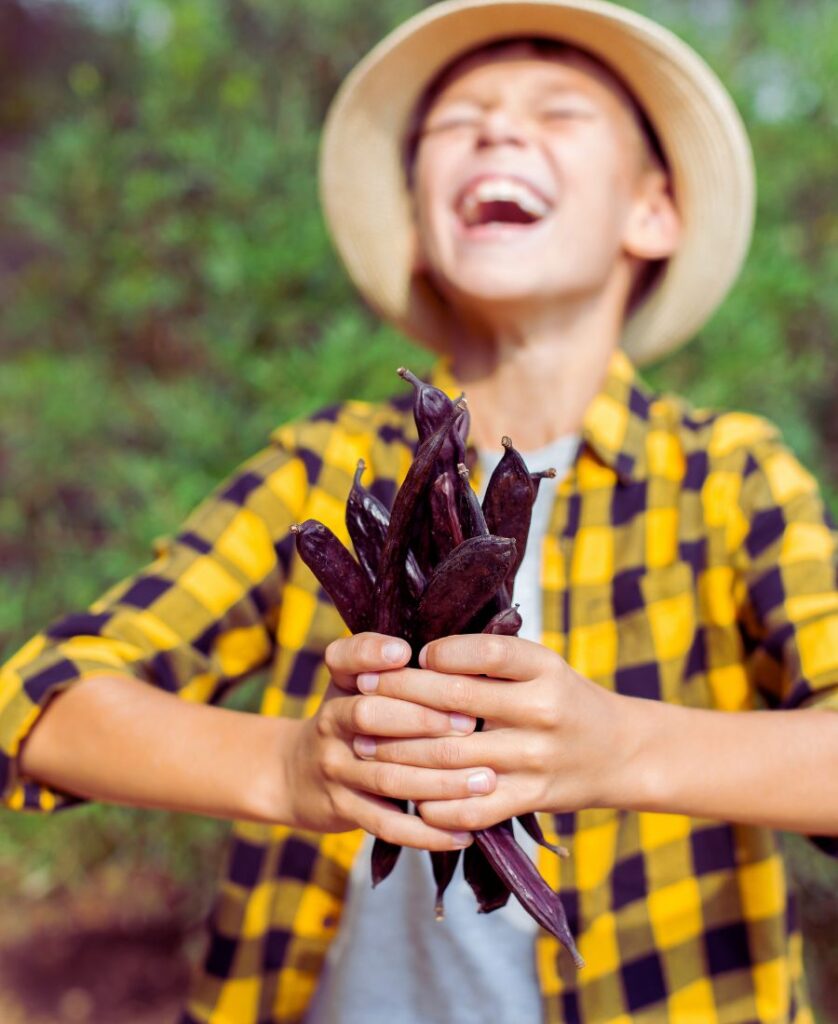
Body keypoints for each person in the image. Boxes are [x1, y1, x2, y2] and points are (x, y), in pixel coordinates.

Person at [1, 0, 836, 1021]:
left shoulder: (727, 478)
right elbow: (37, 703)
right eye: (459, 121)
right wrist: (289, 768)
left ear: (653, 212)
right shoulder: (321, 470)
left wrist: (622, 747)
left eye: (558, 111)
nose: (498, 131)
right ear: (418, 221)